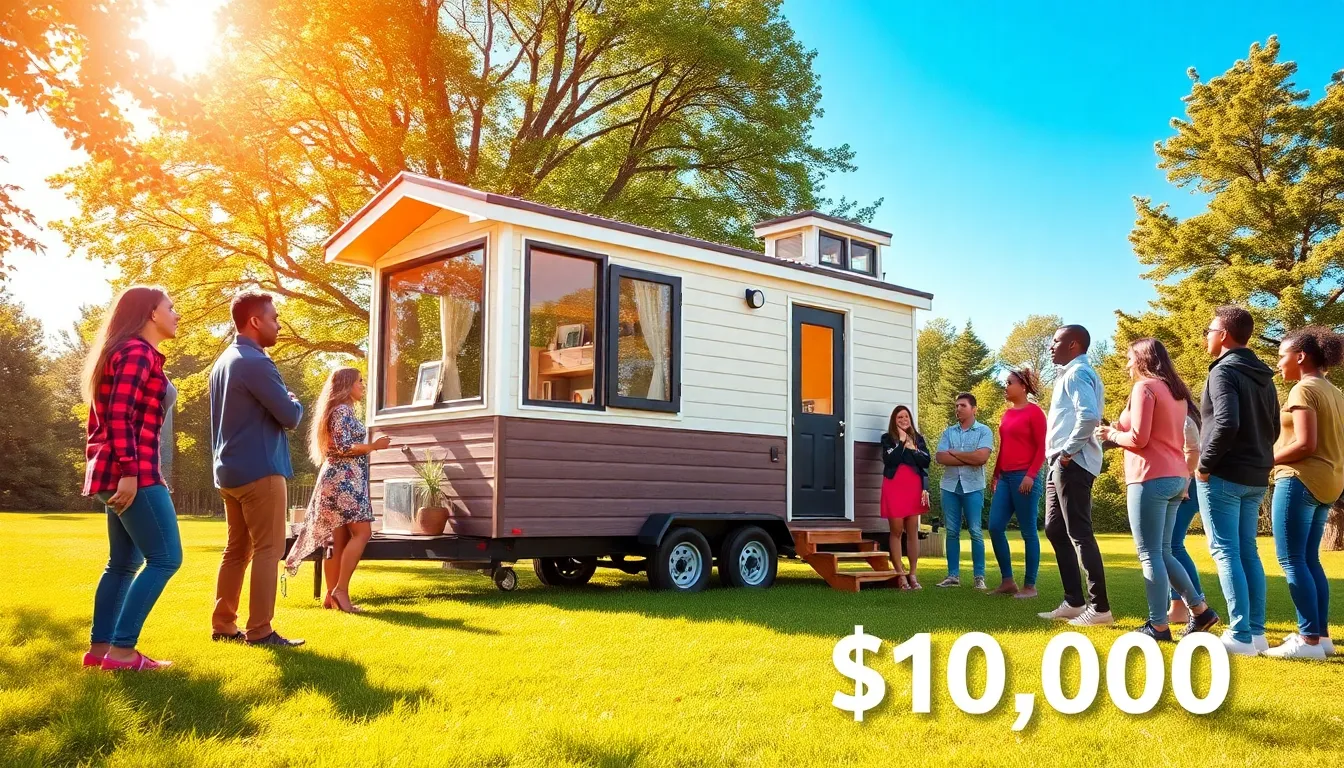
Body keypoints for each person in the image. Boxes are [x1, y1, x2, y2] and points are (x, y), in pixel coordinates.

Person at [81, 286, 183, 671]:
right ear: (151, 313)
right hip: (130, 470)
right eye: (170, 308)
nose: (176, 314)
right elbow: (119, 416)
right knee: (166, 558)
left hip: (119, 470)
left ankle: (100, 651)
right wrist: (129, 472)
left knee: (123, 562)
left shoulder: (130, 353)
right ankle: (123, 653)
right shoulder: (137, 353)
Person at [1097, 339, 1219, 641]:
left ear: (1142, 359)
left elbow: (1138, 439)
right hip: (1177, 477)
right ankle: (1200, 610)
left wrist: (1110, 432)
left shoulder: (1144, 388)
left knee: (1149, 554)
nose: (1126, 365)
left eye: (1129, 359)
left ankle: (1158, 625)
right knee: (1164, 552)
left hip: (1149, 477)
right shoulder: (1176, 392)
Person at [210, 292, 306, 647]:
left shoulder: (224, 361)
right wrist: (296, 400)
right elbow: (289, 416)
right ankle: (261, 631)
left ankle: (223, 625)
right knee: (270, 548)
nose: (278, 324)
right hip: (260, 470)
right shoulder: (255, 362)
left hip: (229, 472)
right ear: (255, 321)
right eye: (275, 318)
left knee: (236, 550)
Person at [1196, 305, 1279, 656]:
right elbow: (1273, 427)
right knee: (1247, 551)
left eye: (1209, 330)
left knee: (1226, 551)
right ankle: (1256, 633)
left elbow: (1227, 423)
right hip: (1256, 475)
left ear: (1224, 335)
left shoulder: (1223, 371)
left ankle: (1241, 635)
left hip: (1225, 475)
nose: (1207, 337)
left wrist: (1204, 464)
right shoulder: (1264, 375)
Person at [285, 368, 392, 612]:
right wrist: (374, 446)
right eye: (359, 382)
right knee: (363, 533)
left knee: (338, 539)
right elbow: (343, 447)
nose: (363, 386)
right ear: (347, 385)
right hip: (344, 479)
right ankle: (340, 590)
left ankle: (330, 596)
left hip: (335, 478)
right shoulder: (342, 411)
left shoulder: (338, 410)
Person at [1264, 327, 1343, 659]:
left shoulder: (1302, 390)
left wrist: (1262, 461)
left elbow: (1305, 444)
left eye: (1282, 355)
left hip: (1300, 480)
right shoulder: (1335, 392)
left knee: (1291, 559)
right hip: (1329, 483)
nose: (1279, 363)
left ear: (1300, 357)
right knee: (1309, 559)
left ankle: (1308, 639)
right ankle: (1321, 637)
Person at [1038, 324, 1112, 626]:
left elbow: (1089, 416)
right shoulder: (1068, 374)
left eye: (1056, 341)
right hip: (1060, 462)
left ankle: (1101, 608)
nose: (1051, 346)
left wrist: (1067, 453)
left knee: (1079, 533)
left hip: (1073, 462)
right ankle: (1073, 601)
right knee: (1055, 529)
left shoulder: (1078, 373)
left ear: (1074, 344)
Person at [987, 368, 1046, 598]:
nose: (1006, 386)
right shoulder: (1006, 414)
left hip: (1025, 477)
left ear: (1023, 387)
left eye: (1009, 382)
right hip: (1005, 477)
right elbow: (1004, 448)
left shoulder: (1035, 413)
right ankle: (1007, 581)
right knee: (994, 526)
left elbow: (1042, 448)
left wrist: (1030, 475)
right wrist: (995, 474)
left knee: (1028, 531)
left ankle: (1030, 586)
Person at [934, 394, 994, 589]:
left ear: (974, 409)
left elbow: (981, 458)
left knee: (976, 531)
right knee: (952, 531)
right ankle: (953, 576)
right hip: (950, 487)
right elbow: (941, 458)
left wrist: (956, 453)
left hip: (974, 487)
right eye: (956, 405)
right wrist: (969, 457)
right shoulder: (948, 432)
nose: (958, 409)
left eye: (963, 405)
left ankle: (979, 577)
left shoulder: (984, 431)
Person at [880, 405, 931, 590]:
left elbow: (926, 461)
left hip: (913, 487)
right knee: (896, 530)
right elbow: (889, 461)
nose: (903, 420)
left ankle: (913, 574)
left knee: (912, 532)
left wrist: (912, 447)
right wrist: (901, 443)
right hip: (894, 486)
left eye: (906, 417)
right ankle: (900, 575)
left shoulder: (918, 439)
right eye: (899, 417)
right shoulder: (887, 439)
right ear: (894, 420)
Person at [1166, 401, 1205, 628]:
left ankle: (1192, 606)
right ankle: (1180, 606)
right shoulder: (1185, 414)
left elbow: (1192, 452)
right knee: (1171, 545)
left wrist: (1185, 482)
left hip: (1186, 486)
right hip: (1186, 484)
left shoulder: (1181, 417)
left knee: (1172, 546)